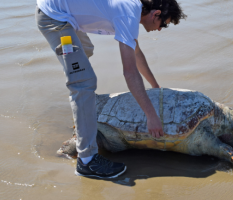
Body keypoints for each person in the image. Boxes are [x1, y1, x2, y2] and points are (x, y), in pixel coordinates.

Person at [35, 0, 186, 179]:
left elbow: (135, 53)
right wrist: (151, 116)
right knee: (84, 83)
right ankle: (87, 161)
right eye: (163, 24)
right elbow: (130, 73)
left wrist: (155, 86)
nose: (160, 29)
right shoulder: (128, 14)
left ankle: (83, 108)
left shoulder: (132, 10)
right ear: (156, 14)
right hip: (54, 17)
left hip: (66, 14)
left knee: (86, 50)